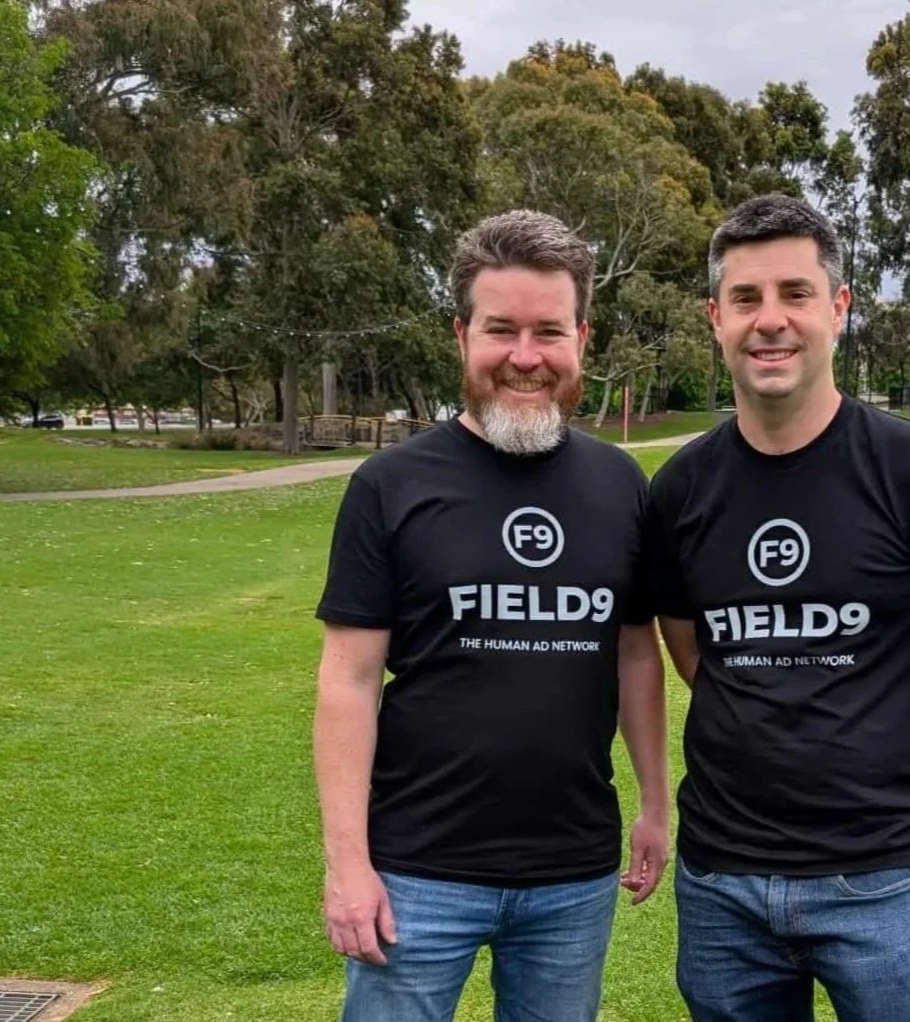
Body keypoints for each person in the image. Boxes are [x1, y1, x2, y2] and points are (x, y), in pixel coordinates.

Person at [647, 194, 910, 1022]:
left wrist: (877, 741)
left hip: (879, 874)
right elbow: (693, 655)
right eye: (745, 299)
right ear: (715, 317)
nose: (768, 320)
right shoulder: (680, 490)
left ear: (839, 308)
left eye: (795, 294)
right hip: (721, 880)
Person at [312, 209, 668, 1022]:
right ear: (460, 335)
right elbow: (349, 677)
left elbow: (635, 653)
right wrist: (347, 865)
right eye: (500, 329)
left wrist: (654, 802)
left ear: (581, 336)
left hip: (571, 875)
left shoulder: (620, 486)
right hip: (415, 870)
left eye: (548, 332)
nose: (524, 357)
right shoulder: (390, 485)